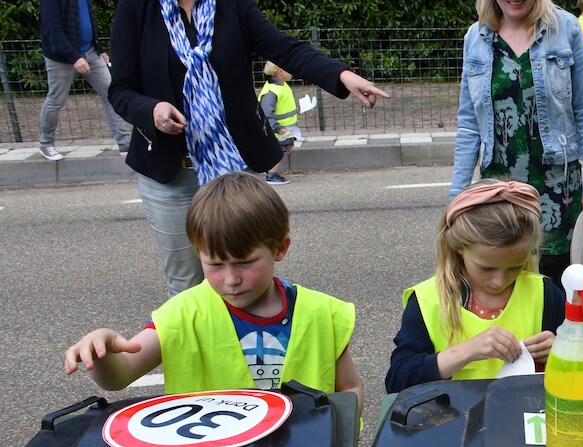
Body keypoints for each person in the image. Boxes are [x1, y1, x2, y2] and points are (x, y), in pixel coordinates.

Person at [108, 0, 390, 298]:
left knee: (244, 280)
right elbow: (120, 91)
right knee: (186, 287)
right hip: (171, 174)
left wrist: (342, 76)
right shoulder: (137, 8)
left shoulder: (231, 6)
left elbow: (286, 51)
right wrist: (151, 110)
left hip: (233, 172)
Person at [64, 171, 362, 412]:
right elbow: (121, 375)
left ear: (280, 248)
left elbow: (349, 388)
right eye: (216, 263)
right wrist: (101, 355)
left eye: (245, 262)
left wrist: (339, 437)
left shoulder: (322, 314)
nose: (231, 279)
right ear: (198, 253)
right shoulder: (182, 315)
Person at [452, 0, 583, 289]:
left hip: (556, 187)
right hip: (499, 189)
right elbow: (469, 123)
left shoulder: (566, 30)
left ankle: (553, 335)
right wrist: (457, 195)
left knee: (555, 285)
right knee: (504, 282)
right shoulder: (476, 37)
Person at [385, 180, 567, 393]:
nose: (499, 281)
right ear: (458, 248)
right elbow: (398, 381)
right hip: (451, 421)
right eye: (486, 269)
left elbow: (581, 371)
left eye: (515, 267)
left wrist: (563, 352)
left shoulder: (544, 294)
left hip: (523, 416)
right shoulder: (428, 301)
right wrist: (468, 350)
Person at [38, 0, 131, 160]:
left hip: (90, 52)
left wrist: (99, 49)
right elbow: (53, 30)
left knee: (111, 93)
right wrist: (74, 57)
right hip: (61, 57)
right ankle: (46, 144)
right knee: (56, 100)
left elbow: (89, 21)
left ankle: (124, 142)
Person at [258, 61, 302, 186]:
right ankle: (271, 174)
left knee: (285, 146)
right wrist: (277, 128)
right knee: (280, 149)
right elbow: (266, 113)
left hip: (285, 128)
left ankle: (270, 170)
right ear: (280, 72)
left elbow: (282, 105)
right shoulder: (272, 91)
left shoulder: (282, 86)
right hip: (278, 130)